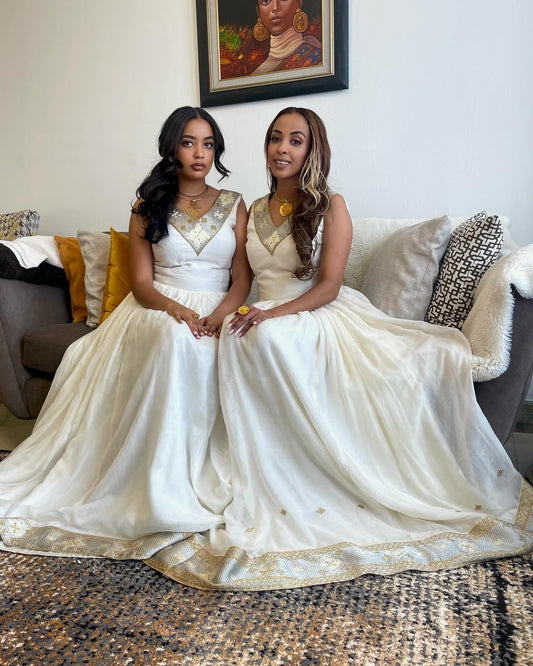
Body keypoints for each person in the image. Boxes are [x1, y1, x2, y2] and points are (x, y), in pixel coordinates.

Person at [144, 107, 533, 591]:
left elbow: (328, 286)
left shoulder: (332, 205)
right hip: (266, 311)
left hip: (314, 311)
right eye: (275, 138)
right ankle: (252, 473)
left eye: (296, 140)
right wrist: (240, 312)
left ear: (313, 150)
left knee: (262, 335)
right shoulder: (254, 207)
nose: (282, 148)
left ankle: (309, 481)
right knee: (240, 336)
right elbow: (239, 278)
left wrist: (271, 315)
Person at [0, 106, 251, 559]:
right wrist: (178, 311)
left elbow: (242, 277)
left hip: (221, 306)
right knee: (176, 342)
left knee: (236, 346)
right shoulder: (146, 206)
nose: (200, 153)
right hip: (159, 305)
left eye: (209, 144)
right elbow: (141, 284)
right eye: (189, 142)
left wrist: (219, 315)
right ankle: (159, 479)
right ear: (172, 148)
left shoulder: (235, 203)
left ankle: (217, 475)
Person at [251, 0, 322, 75]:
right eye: (266, 1)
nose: (275, 8)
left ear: (298, 3)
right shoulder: (256, 73)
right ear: (258, 12)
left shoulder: (318, 61)